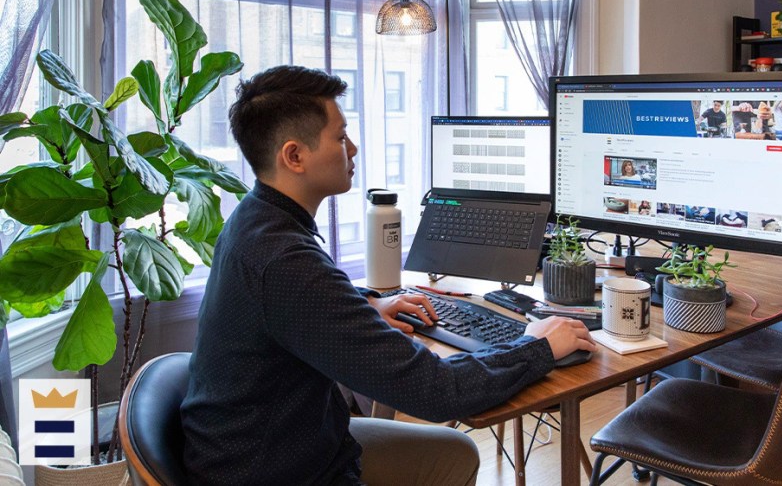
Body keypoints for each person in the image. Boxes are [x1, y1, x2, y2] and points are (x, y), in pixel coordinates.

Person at [180, 65, 596, 486]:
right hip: (273, 470)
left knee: (456, 451)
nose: (353, 148)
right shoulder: (287, 260)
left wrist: (363, 304)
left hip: (258, 445)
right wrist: (537, 345)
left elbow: (287, 306)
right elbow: (437, 392)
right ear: (294, 156)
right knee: (455, 454)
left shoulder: (255, 218)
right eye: (340, 137)